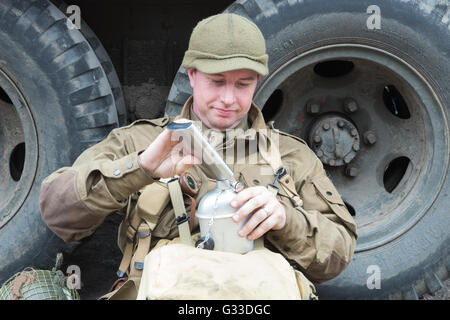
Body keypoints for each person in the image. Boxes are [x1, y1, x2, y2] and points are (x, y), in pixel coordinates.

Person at [39, 13, 357, 299]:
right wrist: (142, 167)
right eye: (216, 82)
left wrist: (285, 219)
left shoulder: (289, 156)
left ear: (258, 82)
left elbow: (338, 254)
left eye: (243, 84)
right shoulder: (140, 141)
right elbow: (58, 213)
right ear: (191, 77)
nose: (228, 99)